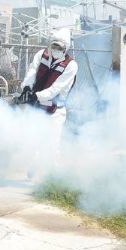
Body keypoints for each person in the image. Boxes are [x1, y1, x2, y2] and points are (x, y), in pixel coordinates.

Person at [16, 28, 78, 176]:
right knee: (33, 139)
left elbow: (56, 89)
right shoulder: (41, 54)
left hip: (55, 111)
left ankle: (54, 180)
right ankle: (35, 165)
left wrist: (37, 96)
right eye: (53, 46)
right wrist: (26, 88)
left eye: (59, 48)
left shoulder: (71, 66)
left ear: (65, 49)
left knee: (52, 144)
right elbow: (32, 72)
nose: (55, 50)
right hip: (37, 107)